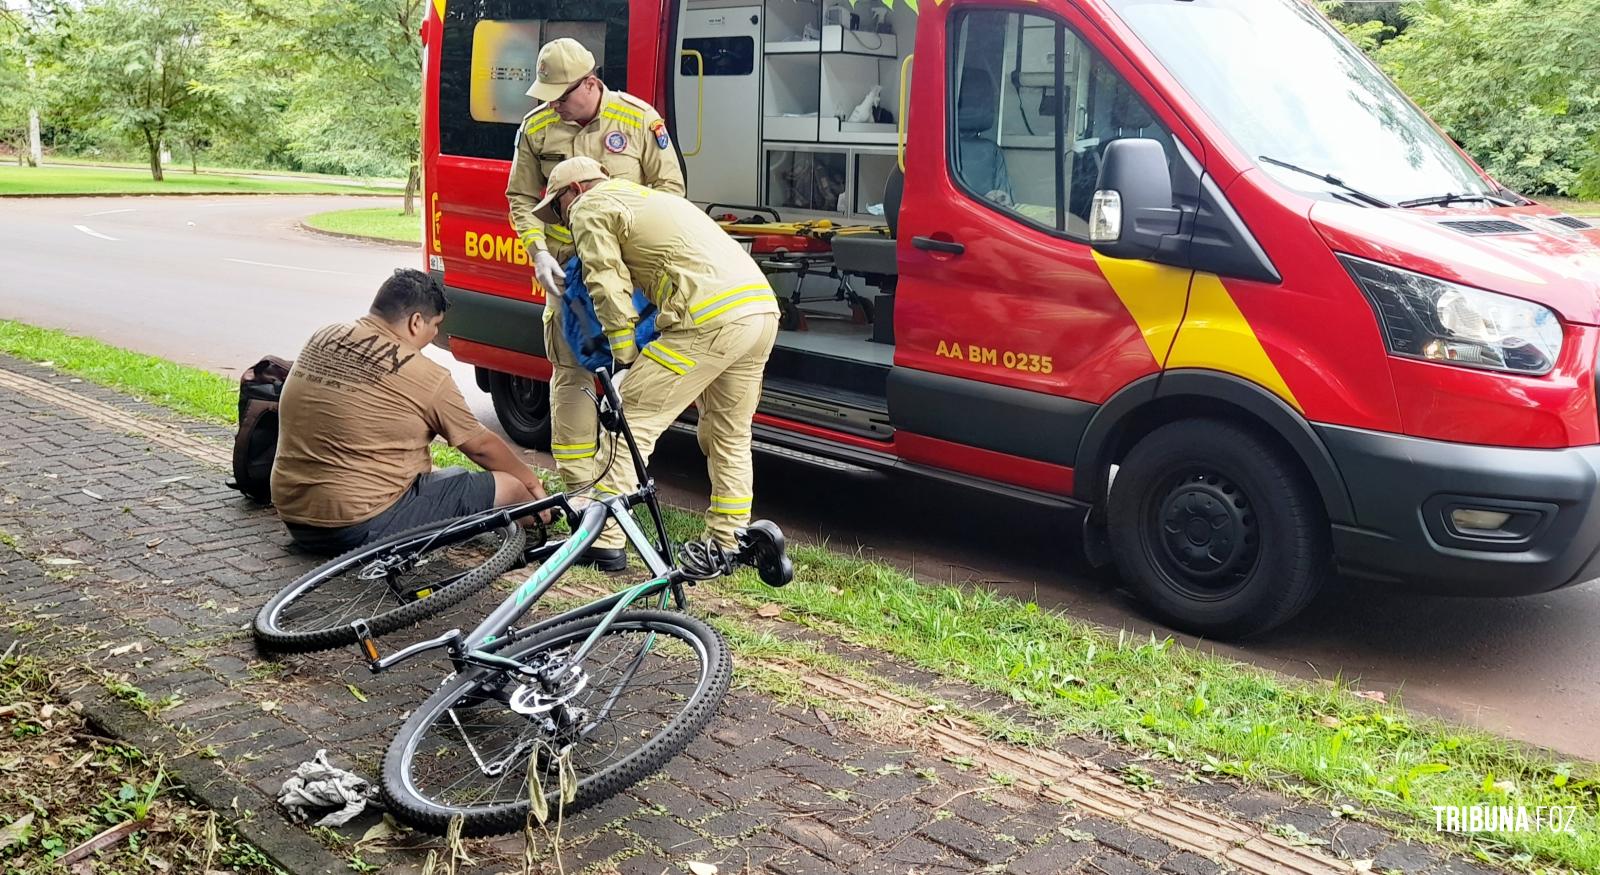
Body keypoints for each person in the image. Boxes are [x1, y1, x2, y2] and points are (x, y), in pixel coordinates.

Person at [530, 156, 779, 556]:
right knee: (729, 433)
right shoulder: (650, 199)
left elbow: (607, 284)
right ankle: (729, 541)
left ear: (574, 190)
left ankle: (602, 540)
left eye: (558, 209)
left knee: (628, 426)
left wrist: (624, 358)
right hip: (760, 312)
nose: (562, 221)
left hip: (706, 320)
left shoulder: (591, 206)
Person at [506, 37, 685, 570]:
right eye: (549, 96)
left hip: (627, 281)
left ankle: (616, 517)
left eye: (563, 95)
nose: (554, 105)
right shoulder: (536, 129)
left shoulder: (638, 121)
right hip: (566, 281)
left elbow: (670, 195)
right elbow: (520, 198)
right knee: (570, 389)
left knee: (629, 391)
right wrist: (538, 251)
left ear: (590, 83)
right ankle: (583, 509)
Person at [271, 269, 551, 555]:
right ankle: (544, 518)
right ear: (417, 322)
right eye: (435, 326)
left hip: (295, 515)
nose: (435, 336)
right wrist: (529, 483)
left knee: (443, 474)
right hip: (355, 526)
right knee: (509, 487)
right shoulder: (426, 375)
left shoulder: (324, 336)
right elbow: (481, 447)